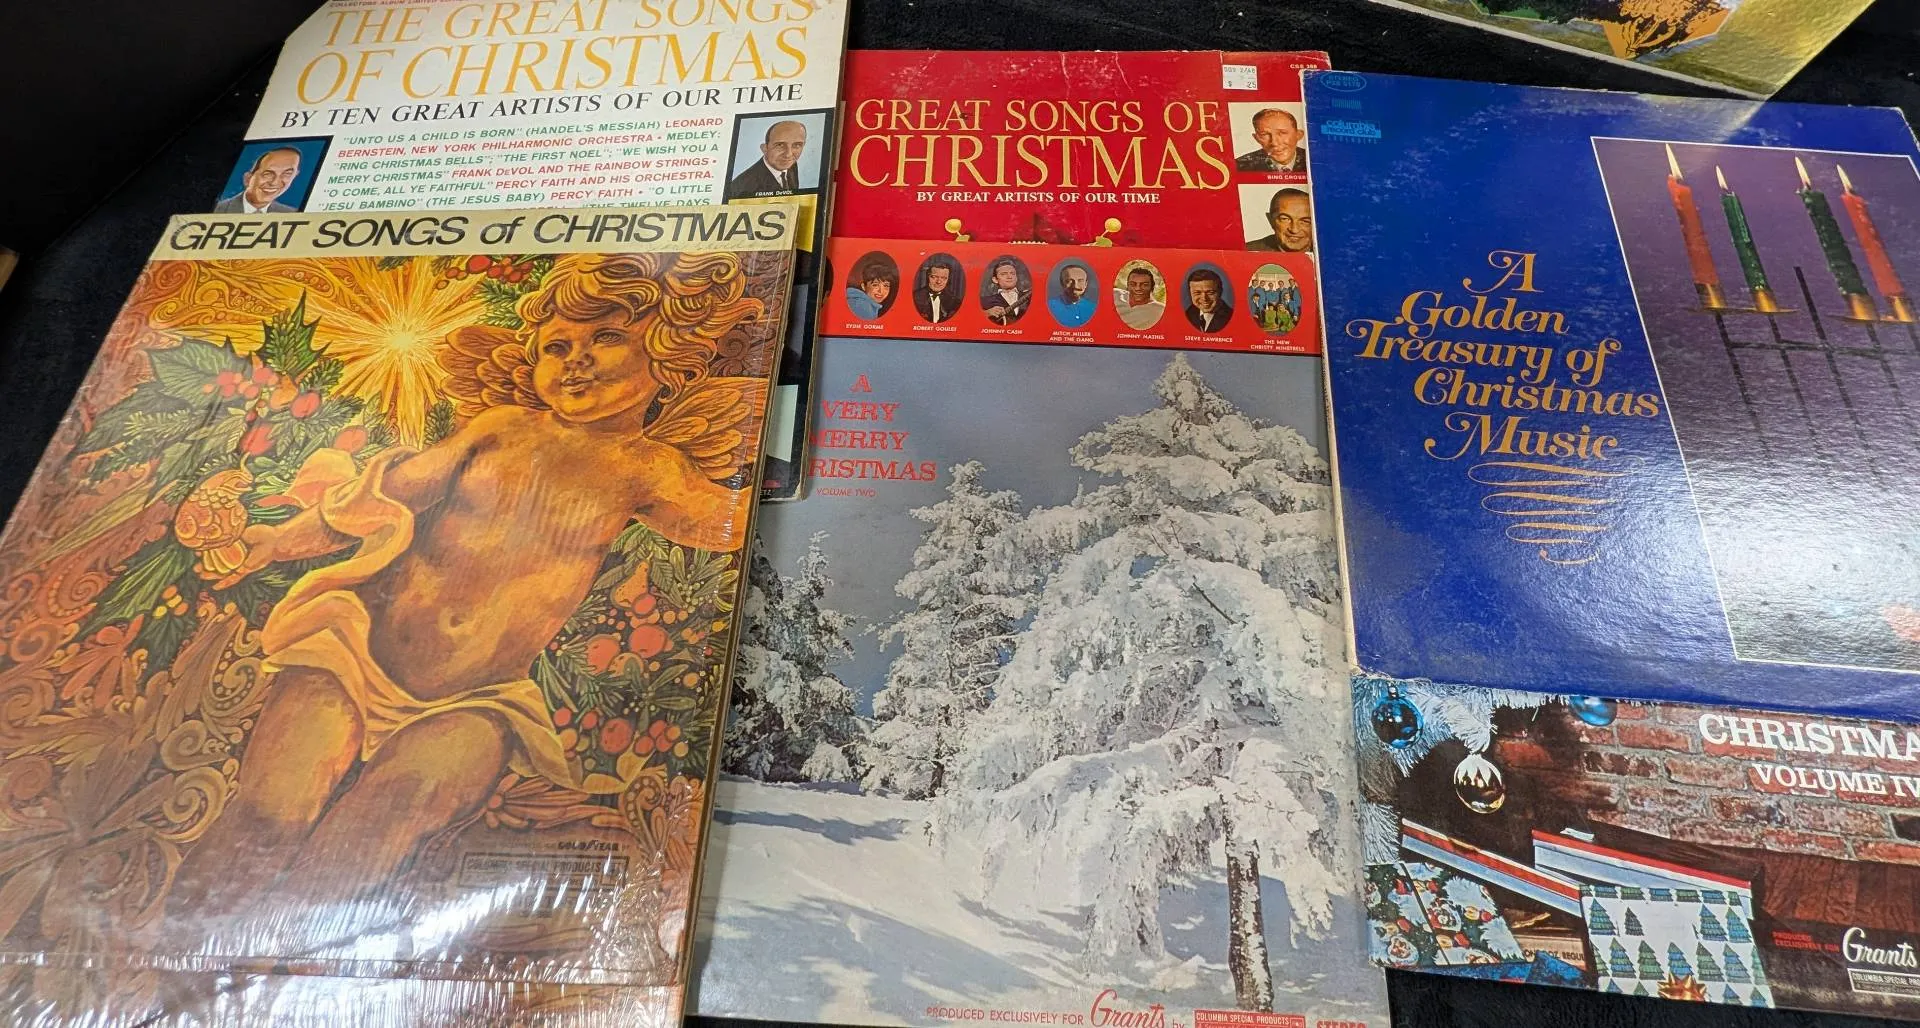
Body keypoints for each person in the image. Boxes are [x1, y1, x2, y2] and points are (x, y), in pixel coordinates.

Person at [165, 251, 769, 949]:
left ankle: (268, 967)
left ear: (664, 355)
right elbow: (381, 496)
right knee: (272, 809)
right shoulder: (500, 429)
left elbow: (733, 522)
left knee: (374, 832)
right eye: (557, 347)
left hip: (478, 700)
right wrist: (275, 541)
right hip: (354, 654)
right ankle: (167, 955)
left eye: (605, 338)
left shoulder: (650, 470)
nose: (575, 361)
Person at [727, 120, 809, 198]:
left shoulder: (791, 165)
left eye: (797, 145)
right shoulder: (743, 188)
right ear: (764, 148)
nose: (788, 155)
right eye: (780, 145)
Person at [215, 147, 303, 213]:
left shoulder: (293, 214)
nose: (274, 182)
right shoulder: (216, 210)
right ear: (248, 179)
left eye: (287, 174)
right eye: (267, 174)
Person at [1235, 108, 1306, 173]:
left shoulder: (1310, 158)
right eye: (1265, 134)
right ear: (1257, 138)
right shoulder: (1239, 166)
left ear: (1298, 135)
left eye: (1282, 133)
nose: (1274, 143)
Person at [1247, 188, 1314, 253]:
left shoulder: (1320, 249)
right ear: (1270, 220)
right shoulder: (1248, 251)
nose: (1294, 230)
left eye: (1305, 221)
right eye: (1285, 219)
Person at [981, 258, 1030, 324]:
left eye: (1012, 273)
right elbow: (971, 318)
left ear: (1016, 278)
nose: (1009, 277)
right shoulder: (985, 301)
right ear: (995, 280)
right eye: (1003, 274)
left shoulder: (1030, 296)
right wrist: (986, 313)